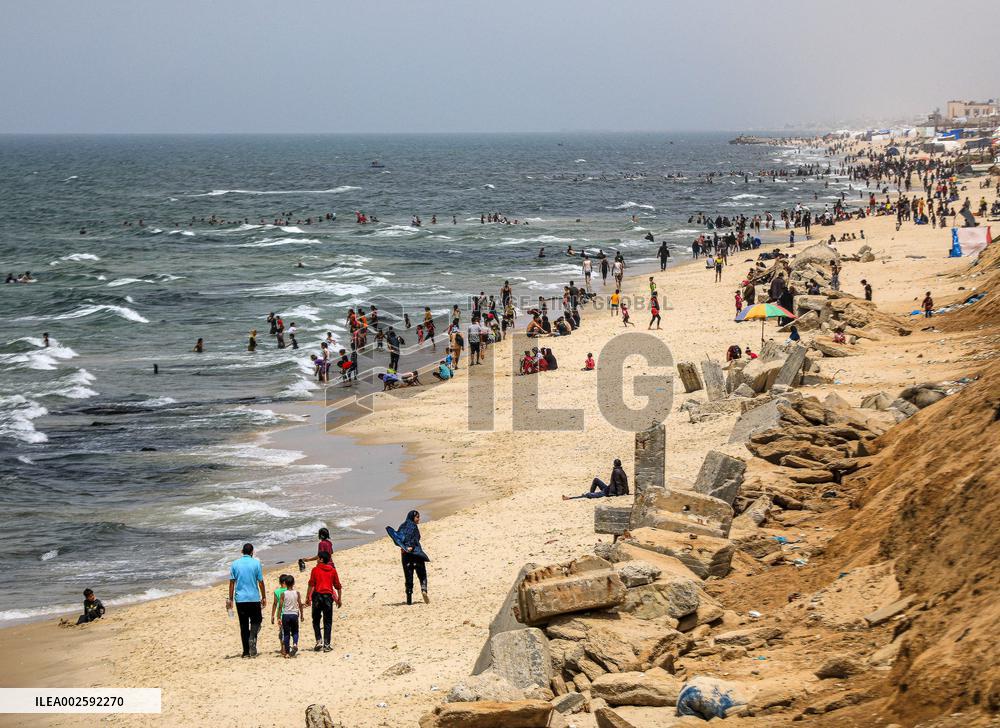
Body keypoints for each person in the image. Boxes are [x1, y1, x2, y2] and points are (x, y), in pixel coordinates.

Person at [227, 543, 266, 658]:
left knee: (243, 625)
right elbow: (260, 582)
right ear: (252, 552)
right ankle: (252, 639)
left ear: (241, 551)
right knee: (256, 621)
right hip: (254, 598)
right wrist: (263, 596)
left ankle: (245, 652)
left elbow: (231, 583)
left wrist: (230, 599)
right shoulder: (256, 563)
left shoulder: (235, 564)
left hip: (240, 599)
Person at [305, 551, 342, 652]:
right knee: (328, 621)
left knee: (316, 620)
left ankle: (319, 640)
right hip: (328, 598)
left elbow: (311, 584)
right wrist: (339, 599)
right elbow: (338, 586)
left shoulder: (315, 570)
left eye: (318, 558)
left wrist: (307, 597)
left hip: (317, 596)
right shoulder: (332, 570)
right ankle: (326, 644)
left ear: (321, 559)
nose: (317, 560)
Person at [397, 510, 429, 605]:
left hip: (405, 555)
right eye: (417, 517)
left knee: (408, 577)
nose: (419, 519)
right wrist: (411, 546)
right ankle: (424, 590)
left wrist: (404, 547)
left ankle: (409, 600)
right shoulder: (414, 527)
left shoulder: (402, 526)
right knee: (422, 574)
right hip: (416, 553)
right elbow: (417, 538)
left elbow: (398, 539)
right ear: (413, 518)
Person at [563, 459, 629, 499]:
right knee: (596, 480)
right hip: (609, 489)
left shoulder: (616, 471)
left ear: (614, 464)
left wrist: (619, 494)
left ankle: (571, 498)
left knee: (588, 495)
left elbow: (618, 484)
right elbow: (625, 483)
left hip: (609, 492)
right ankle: (591, 493)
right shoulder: (621, 471)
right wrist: (627, 492)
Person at [278, 575, 303, 658]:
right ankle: (295, 643)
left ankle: (288, 653)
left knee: (286, 634)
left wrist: (278, 617)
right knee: (295, 631)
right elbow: (300, 605)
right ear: (293, 583)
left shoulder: (283, 594)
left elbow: (280, 606)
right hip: (294, 614)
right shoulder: (297, 593)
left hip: (285, 615)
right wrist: (302, 615)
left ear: (285, 583)